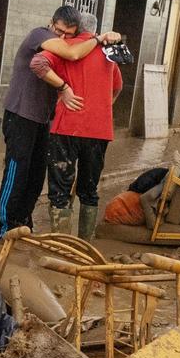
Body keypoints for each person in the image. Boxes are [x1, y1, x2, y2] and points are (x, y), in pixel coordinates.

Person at [0, 6, 121, 240]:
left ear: (77, 32)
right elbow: (66, 56)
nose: (62, 36)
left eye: (68, 34)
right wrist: (64, 87)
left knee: (35, 176)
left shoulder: (66, 45)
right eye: (59, 30)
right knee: (16, 172)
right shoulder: (41, 35)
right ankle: (6, 227)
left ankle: (24, 222)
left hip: (44, 119)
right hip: (21, 115)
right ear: (51, 22)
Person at [30, 13, 123, 239]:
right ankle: (85, 246)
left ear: (76, 29)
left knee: (60, 191)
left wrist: (63, 88)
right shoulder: (108, 53)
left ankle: (63, 248)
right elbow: (118, 87)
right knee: (89, 190)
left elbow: (38, 63)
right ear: (95, 31)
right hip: (99, 130)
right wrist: (102, 107)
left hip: (67, 128)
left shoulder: (65, 48)